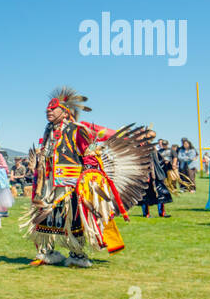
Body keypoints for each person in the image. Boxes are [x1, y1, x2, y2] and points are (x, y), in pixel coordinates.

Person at [23, 86, 152, 268]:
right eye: (48, 109)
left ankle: (77, 255)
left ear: (65, 112)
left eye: (53, 109)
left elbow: (88, 156)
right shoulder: (48, 131)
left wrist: (90, 178)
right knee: (46, 218)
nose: (48, 111)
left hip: (70, 185)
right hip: (49, 185)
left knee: (73, 220)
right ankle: (47, 252)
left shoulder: (76, 130)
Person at [138, 128, 174, 217]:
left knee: (161, 193)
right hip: (146, 174)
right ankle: (146, 213)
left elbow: (158, 159)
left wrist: (166, 163)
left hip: (156, 174)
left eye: (153, 137)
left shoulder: (152, 146)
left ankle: (162, 213)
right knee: (146, 194)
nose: (152, 139)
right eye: (150, 136)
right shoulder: (140, 146)